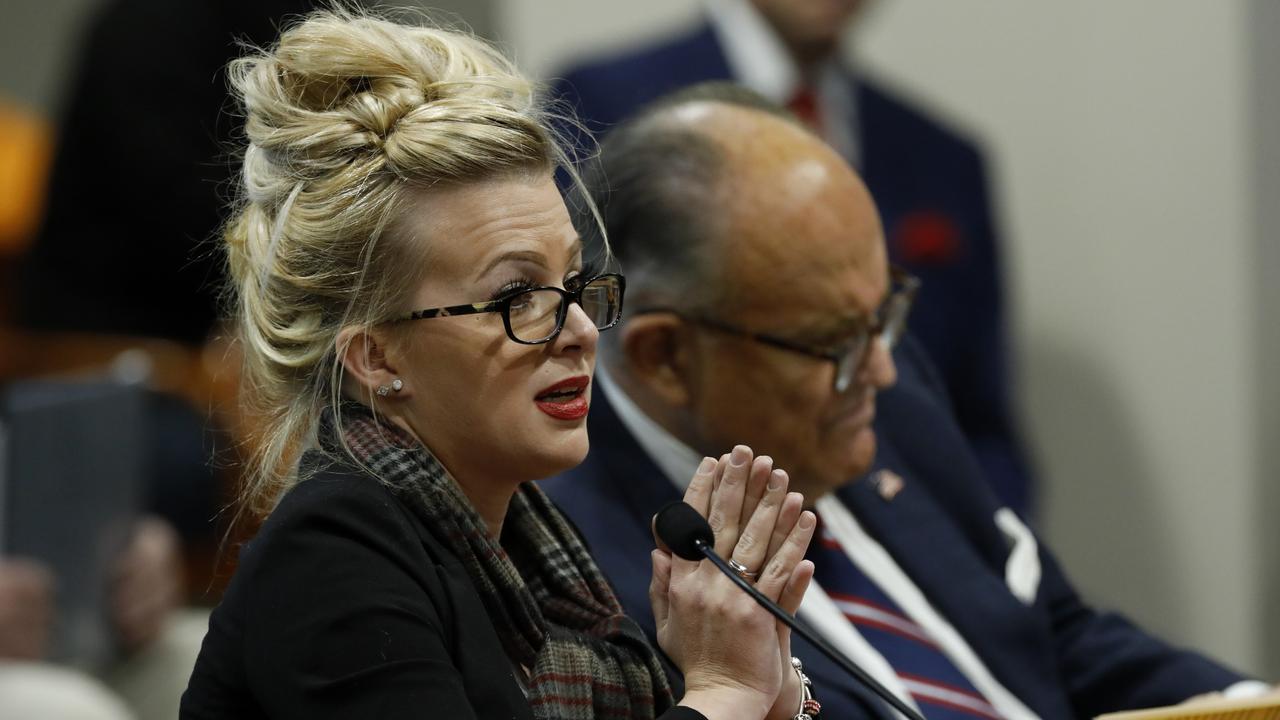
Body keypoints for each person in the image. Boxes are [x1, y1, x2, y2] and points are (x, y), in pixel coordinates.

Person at [539, 84, 1272, 719]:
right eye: (838, 342)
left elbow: (1057, 634)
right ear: (665, 357)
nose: (884, 369)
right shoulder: (579, 573)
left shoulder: (879, 391)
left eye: (884, 311)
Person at [180, 10, 821, 720]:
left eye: (576, 282)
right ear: (375, 355)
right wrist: (723, 692)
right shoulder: (331, 560)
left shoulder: (525, 541)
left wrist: (768, 689)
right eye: (518, 296)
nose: (579, 329)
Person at [550, 0, 1035, 514]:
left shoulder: (943, 157)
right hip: (682, 523)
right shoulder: (603, 101)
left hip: (911, 532)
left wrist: (988, 552)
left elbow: (982, 418)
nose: (880, 369)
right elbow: (571, 339)